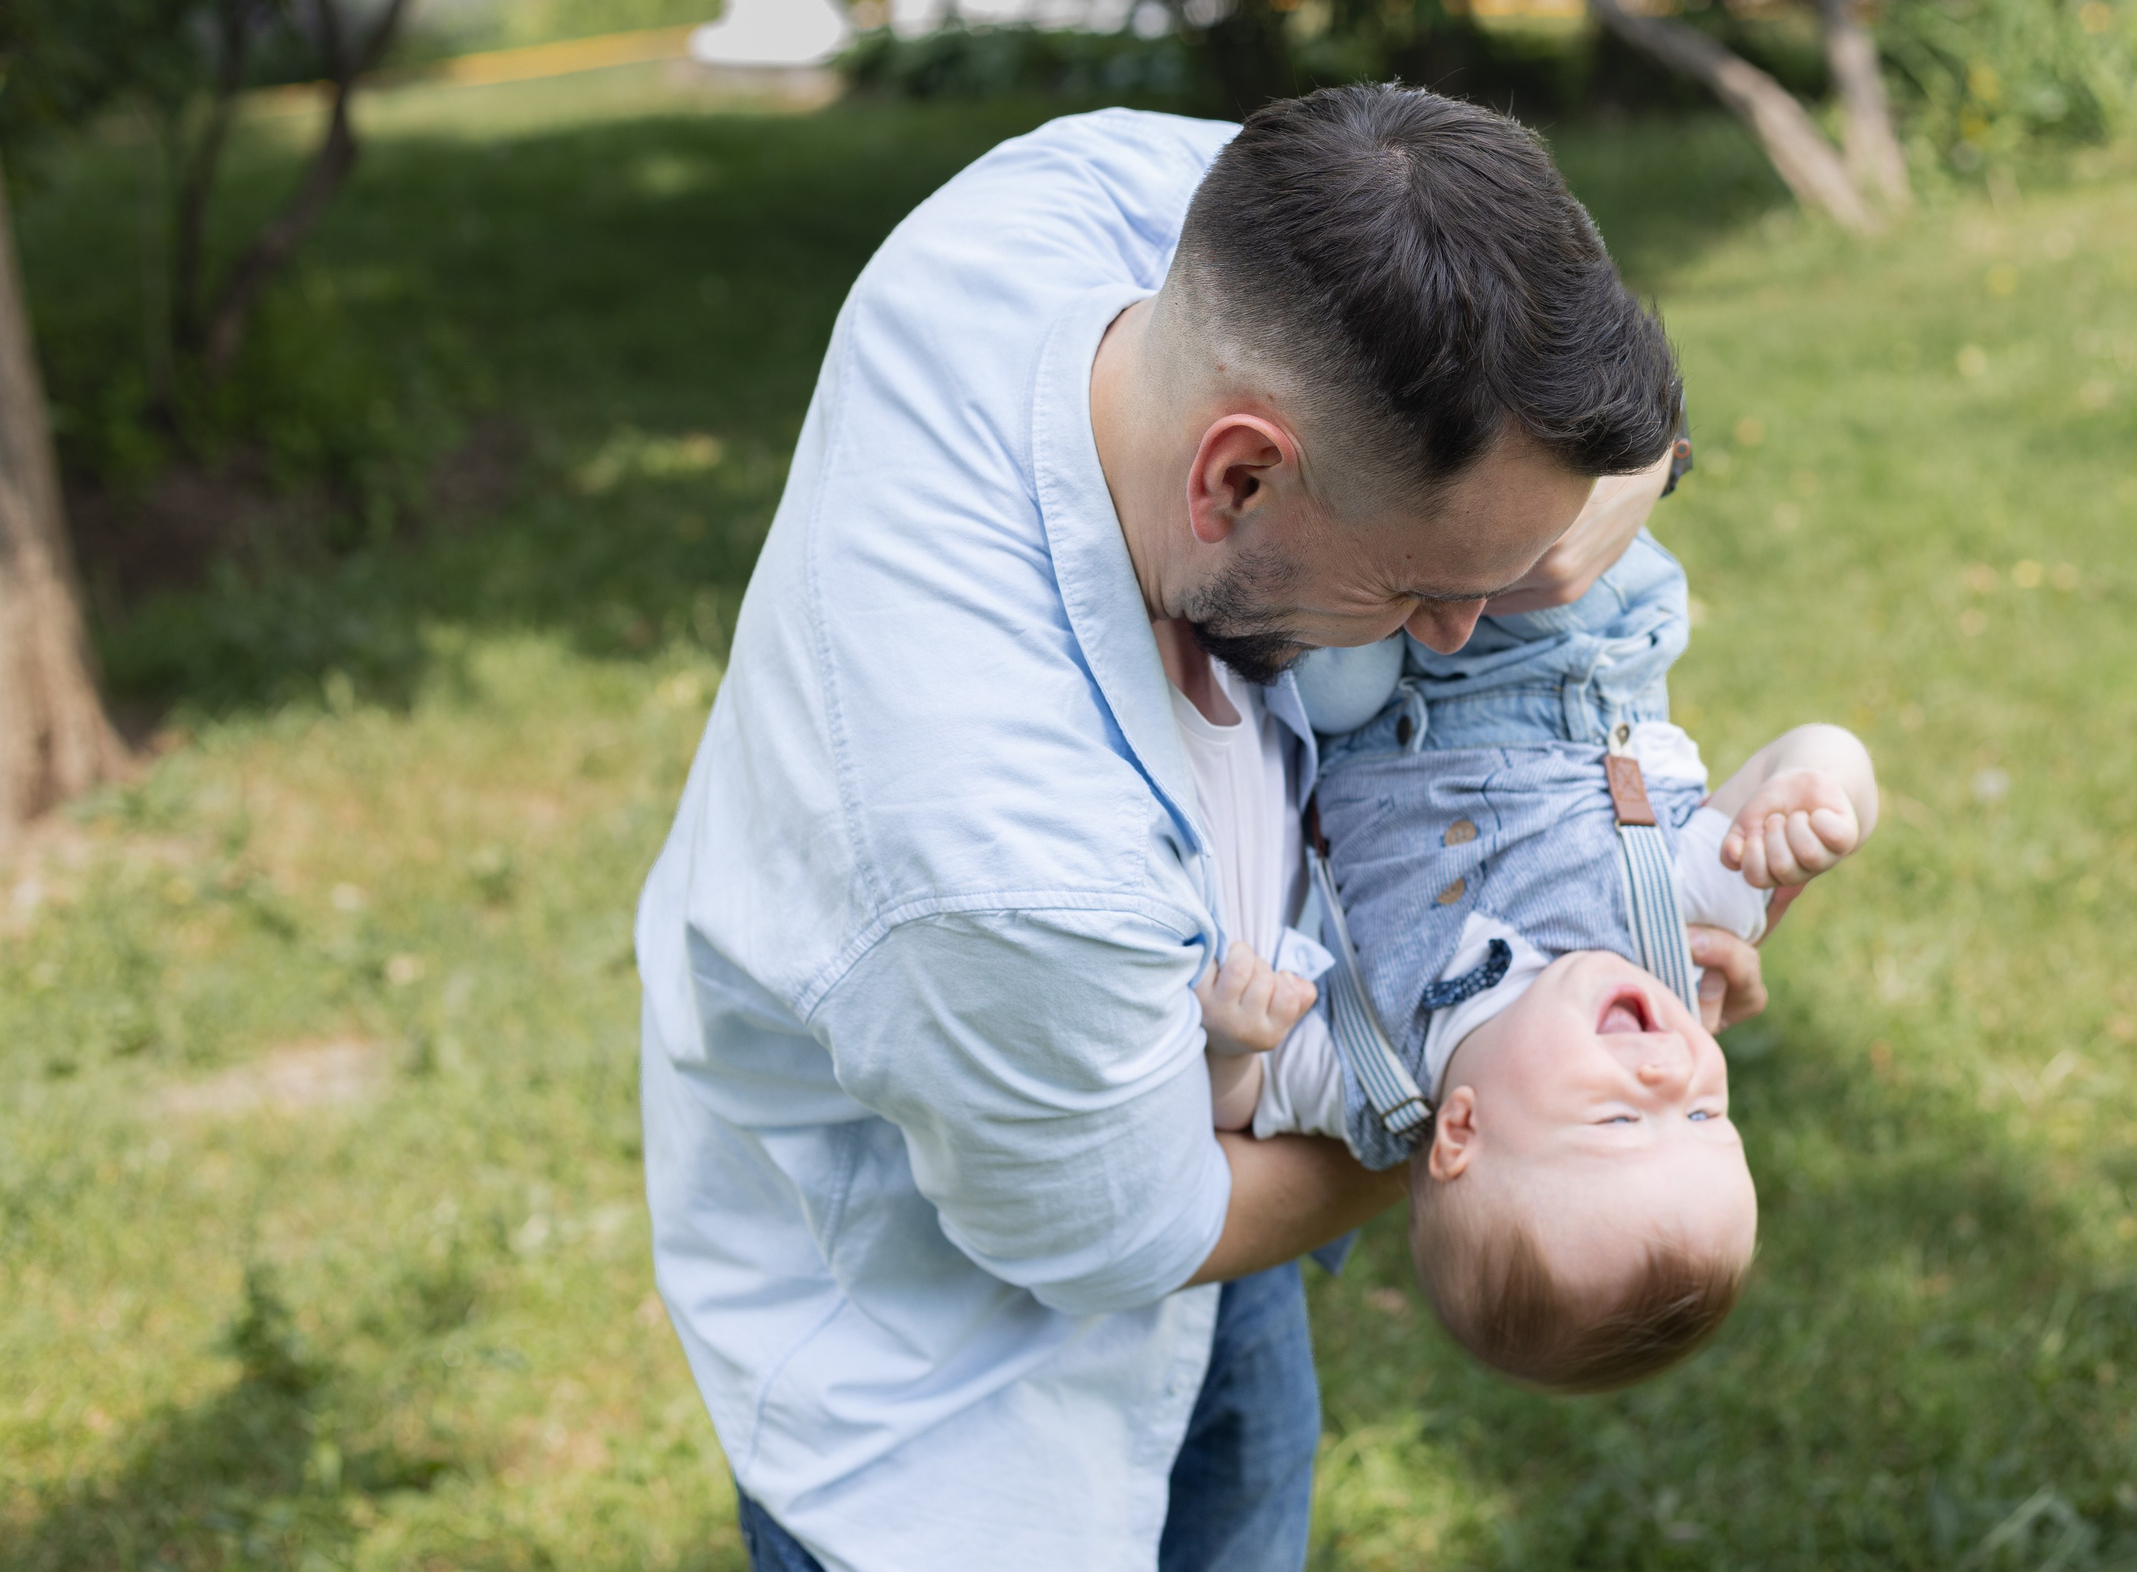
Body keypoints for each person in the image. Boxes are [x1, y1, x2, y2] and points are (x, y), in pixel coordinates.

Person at [636, 86, 1762, 1572]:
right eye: (1425, 587)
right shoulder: (1008, 857)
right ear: (1237, 476)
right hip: (980, 1432)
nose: (1458, 632)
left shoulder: (1116, 208)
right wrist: (1504, 1085)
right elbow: (1129, 1227)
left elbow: (1519, 362)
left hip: (1203, 1225)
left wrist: (1620, 492)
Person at [1192, 533, 1876, 1391]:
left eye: (1621, 1120)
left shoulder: (1377, 1080)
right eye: (1708, 1116)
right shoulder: (1669, 925)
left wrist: (1233, 1042)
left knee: (1324, 657)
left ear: (1461, 1131)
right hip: (1558, 634)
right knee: (1478, 509)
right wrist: (1814, 786)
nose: (1670, 1073)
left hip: (1363, 703)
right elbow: (1818, 746)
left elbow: (1241, 1103)